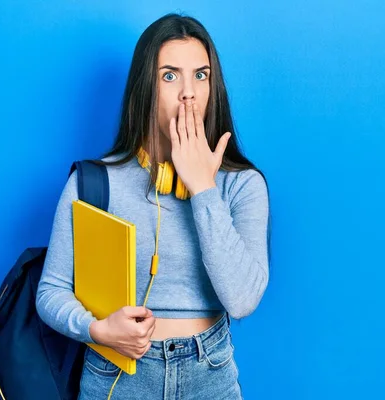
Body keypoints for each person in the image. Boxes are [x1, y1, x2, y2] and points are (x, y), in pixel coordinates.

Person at [36, 12, 270, 400]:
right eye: (169, 75)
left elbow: (243, 300)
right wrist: (97, 330)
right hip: (115, 374)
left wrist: (202, 189)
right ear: (145, 87)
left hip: (209, 375)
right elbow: (52, 290)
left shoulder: (241, 185)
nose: (188, 92)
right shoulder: (94, 182)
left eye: (201, 75)